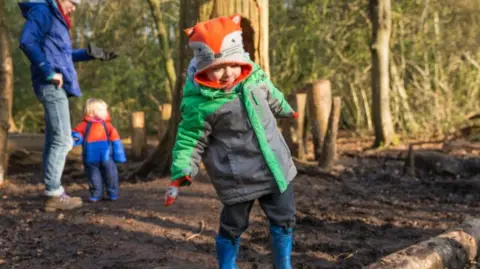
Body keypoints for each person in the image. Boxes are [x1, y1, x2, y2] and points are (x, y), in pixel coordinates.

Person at [164, 15, 299, 269]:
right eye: (218, 67)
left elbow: (272, 94)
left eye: (233, 64)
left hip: (275, 167)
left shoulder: (255, 78)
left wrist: (286, 109)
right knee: (233, 224)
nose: (227, 73)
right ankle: (227, 265)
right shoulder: (200, 103)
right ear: (203, 68)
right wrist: (181, 172)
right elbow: (190, 139)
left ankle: (284, 264)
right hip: (237, 176)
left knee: (284, 218)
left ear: (241, 58)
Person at [18, 0, 117, 211]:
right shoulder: (44, 11)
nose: (74, 7)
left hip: (54, 83)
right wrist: (48, 71)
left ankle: (51, 190)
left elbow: (61, 55)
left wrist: (89, 54)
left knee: (54, 139)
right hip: (50, 84)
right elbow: (27, 42)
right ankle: (54, 194)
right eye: (74, 3)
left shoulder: (55, 17)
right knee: (64, 140)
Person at [71, 98, 126, 203]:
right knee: (93, 177)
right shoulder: (84, 125)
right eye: (101, 110)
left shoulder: (107, 125)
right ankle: (96, 194)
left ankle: (112, 193)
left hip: (107, 158)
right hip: (90, 158)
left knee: (111, 175)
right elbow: (77, 133)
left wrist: (119, 156)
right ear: (91, 113)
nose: (105, 112)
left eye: (105, 110)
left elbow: (116, 140)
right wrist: (75, 138)